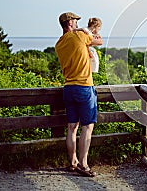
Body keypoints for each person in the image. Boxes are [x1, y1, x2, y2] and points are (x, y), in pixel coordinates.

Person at [55, 12, 103, 177]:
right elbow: (100, 41)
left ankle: (73, 162)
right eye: (75, 21)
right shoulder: (79, 36)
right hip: (84, 86)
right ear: (69, 22)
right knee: (87, 127)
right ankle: (84, 164)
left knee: (71, 127)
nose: (77, 24)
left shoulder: (59, 43)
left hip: (68, 88)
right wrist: (91, 30)